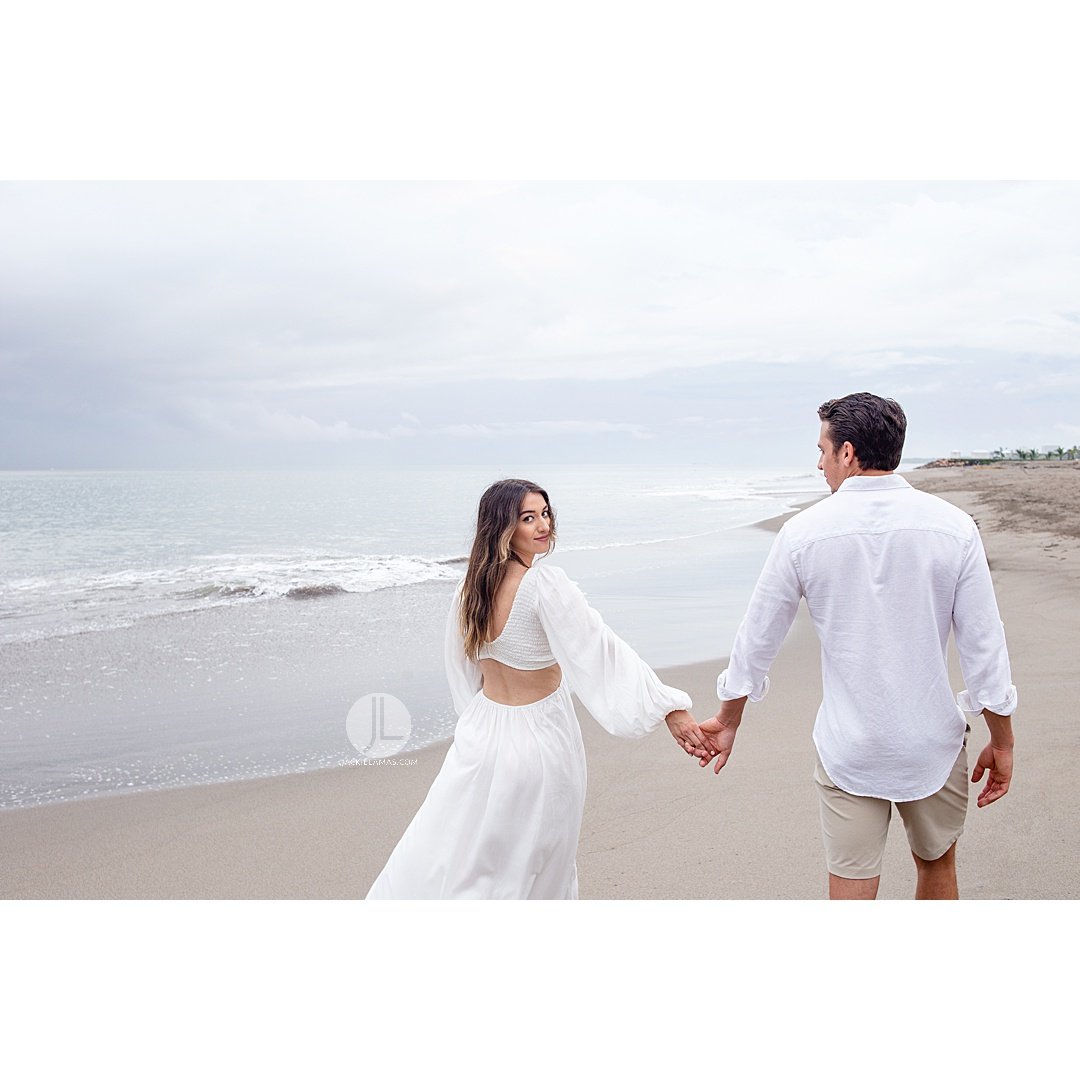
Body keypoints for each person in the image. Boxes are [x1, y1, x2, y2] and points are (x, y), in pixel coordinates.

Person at [699, 392, 1017, 900]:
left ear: (847, 452)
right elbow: (985, 647)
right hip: (930, 743)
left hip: (850, 745)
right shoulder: (953, 527)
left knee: (851, 884)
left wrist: (730, 717)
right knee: (936, 869)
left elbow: (758, 637)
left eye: (822, 449)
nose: (819, 462)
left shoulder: (803, 532)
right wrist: (1002, 740)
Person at [366, 478, 706, 900]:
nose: (543, 525)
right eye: (528, 518)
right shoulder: (545, 585)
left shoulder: (468, 590)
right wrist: (668, 708)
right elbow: (600, 652)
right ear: (502, 527)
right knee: (541, 864)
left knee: (456, 852)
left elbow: (462, 673)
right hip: (540, 741)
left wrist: (473, 727)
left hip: (481, 734)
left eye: (545, 514)